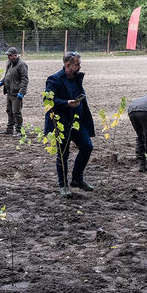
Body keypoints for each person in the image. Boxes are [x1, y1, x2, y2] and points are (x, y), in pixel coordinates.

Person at [44, 51, 95, 197]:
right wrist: (67, 103)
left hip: (77, 122)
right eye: (77, 64)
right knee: (63, 154)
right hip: (60, 123)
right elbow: (48, 101)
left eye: (79, 64)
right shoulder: (54, 79)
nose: (80, 66)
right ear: (67, 65)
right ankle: (64, 186)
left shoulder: (77, 78)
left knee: (87, 146)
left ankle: (77, 179)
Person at [0, 46, 29, 136]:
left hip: (17, 93)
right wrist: (2, 82)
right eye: (8, 55)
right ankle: (9, 129)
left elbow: (25, 79)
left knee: (16, 112)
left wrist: (22, 92)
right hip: (9, 92)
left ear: (15, 55)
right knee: (9, 111)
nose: (8, 57)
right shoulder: (10, 63)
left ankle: (19, 130)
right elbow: (8, 75)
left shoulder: (21, 64)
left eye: (10, 55)